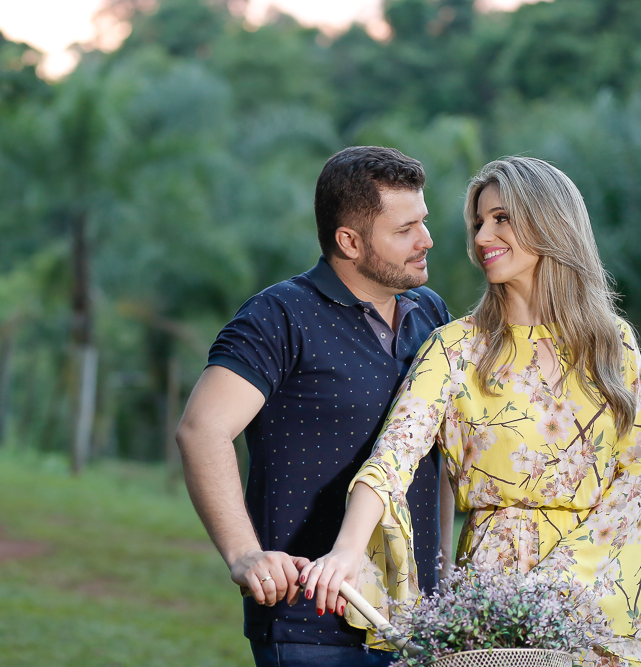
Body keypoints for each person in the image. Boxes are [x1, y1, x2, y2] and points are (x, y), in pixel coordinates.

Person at [302, 156, 641, 666]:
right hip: (494, 601)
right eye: (478, 222)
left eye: (501, 218)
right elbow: (393, 456)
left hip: (597, 599)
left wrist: (556, 593)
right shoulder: (454, 347)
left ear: (550, 223)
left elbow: (638, 484)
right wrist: (348, 550)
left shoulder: (612, 345)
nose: (483, 235)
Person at [176, 146, 455, 667]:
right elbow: (201, 430)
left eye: (423, 220)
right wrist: (243, 554)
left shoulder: (431, 313)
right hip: (311, 621)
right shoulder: (278, 315)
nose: (426, 240)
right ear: (349, 241)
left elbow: (433, 445)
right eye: (405, 230)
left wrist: (439, 562)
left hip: (415, 619)